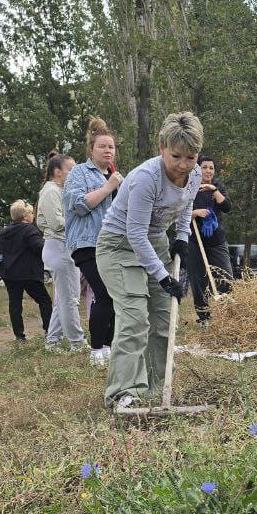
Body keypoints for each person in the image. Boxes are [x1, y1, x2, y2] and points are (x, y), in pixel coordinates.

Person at [95, 112, 204, 410]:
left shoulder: (194, 174)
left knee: (163, 317)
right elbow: (135, 234)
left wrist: (182, 238)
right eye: (176, 156)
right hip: (120, 246)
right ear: (161, 148)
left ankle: (156, 390)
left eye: (190, 157)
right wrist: (163, 276)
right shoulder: (146, 178)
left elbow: (185, 204)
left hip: (155, 242)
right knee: (134, 317)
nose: (183, 165)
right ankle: (123, 393)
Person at [64, 117, 123, 368]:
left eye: (111, 147)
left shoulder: (117, 176)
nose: (108, 151)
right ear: (91, 149)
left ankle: (109, 346)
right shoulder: (79, 173)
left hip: (112, 244)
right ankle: (96, 348)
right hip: (87, 244)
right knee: (103, 292)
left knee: (114, 296)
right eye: (102, 146)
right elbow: (77, 205)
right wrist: (109, 187)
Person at [37, 151, 85, 353]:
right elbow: (55, 223)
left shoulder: (58, 190)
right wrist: (81, 222)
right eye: (70, 169)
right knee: (70, 299)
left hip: (62, 246)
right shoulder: (51, 191)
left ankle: (53, 341)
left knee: (62, 299)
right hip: (58, 246)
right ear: (57, 172)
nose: (74, 173)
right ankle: (77, 342)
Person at [0, 200, 53, 343]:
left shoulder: (5, 231)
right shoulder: (30, 230)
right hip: (29, 272)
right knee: (44, 300)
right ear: (25, 216)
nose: (33, 215)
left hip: (10, 273)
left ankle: (19, 336)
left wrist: (10, 253)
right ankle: (49, 330)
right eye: (31, 213)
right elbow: (39, 248)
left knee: (15, 304)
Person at [186, 151, 234, 325]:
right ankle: (204, 317)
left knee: (226, 276)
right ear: (197, 169)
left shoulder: (218, 187)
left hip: (216, 241)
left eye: (211, 168)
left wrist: (214, 190)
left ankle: (227, 316)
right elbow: (177, 212)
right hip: (194, 240)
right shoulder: (189, 187)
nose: (208, 171)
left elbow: (227, 207)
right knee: (198, 280)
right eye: (204, 167)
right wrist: (194, 213)